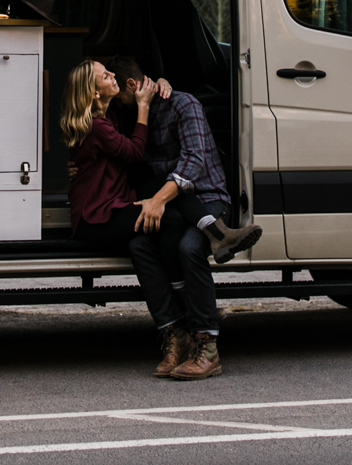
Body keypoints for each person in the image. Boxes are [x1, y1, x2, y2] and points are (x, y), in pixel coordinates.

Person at [100, 55, 261, 380]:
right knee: (139, 246)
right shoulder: (127, 115)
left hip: (206, 196)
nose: (116, 102)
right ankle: (175, 334)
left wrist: (158, 200)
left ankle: (208, 347)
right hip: (167, 204)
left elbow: (194, 162)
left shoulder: (183, 105)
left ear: (131, 85)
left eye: (119, 93)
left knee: (189, 248)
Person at [59, 58, 157, 251]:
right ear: (95, 93)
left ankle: (213, 229)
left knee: (172, 187)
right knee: (170, 219)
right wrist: (144, 106)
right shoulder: (96, 126)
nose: (113, 76)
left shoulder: (109, 113)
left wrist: (161, 81)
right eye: (105, 75)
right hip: (97, 214)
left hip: (117, 199)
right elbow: (134, 152)